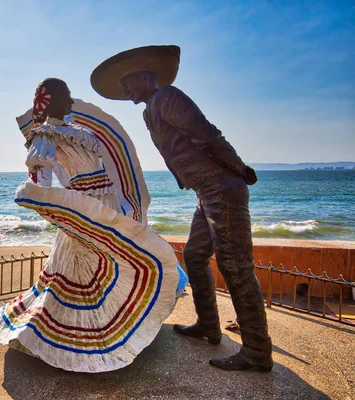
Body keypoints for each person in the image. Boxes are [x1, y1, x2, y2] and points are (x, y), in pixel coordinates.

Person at [90, 46, 273, 372]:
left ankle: (258, 350)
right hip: (206, 191)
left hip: (223, 187)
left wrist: (240, 168)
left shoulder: (167, 98)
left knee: (235, 266)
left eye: (127, 82)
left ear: (146, 76)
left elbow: (207, 135)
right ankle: (209, 325)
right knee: (194, 255)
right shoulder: (150, 111)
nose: (125, 90)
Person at [0, 77, 188, 373]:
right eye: (66, 95)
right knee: (83, 272)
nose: (71, 100)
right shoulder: (44, 135)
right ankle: (82, 339)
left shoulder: (79, 131)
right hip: (86, 209)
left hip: (105, 207)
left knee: (116, 265)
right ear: (53, 100)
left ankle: (113, 329)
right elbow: (41, 180)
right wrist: (49, 202)